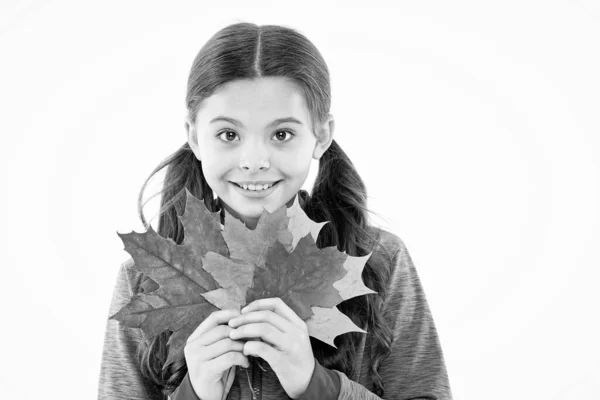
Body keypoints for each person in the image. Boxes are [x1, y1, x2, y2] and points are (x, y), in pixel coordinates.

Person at [98, 22, 453, 400]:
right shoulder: (145, 277)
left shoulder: (379, 260)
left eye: (282, 134)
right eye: (228, 135)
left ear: (321, 135)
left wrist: (318, 385)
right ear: (194, 136)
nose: (254, 161)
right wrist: (194, 394)